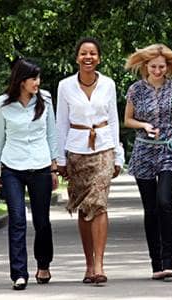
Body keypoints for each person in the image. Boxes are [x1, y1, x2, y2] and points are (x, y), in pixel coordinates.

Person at [56, 37, 124, 284]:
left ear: (99, 58)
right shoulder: (65, 86)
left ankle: (99, 264)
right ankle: (87, 264)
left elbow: (114, 119)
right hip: (76, 150)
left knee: (99, 204)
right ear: (76, 58)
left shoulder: (108, 84)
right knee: (84, 208)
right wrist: (59, 158)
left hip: (104, 146)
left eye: (93, 53)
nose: (88, 57)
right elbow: (60, 122)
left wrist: (117, 153)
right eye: (84, 53)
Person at [124, 44, 172, 280]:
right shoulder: (135, 90)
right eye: (153, 66)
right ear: (145, 67)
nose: (157, 70)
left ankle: (168, 260)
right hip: (144, 151)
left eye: (162, 67)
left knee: (164, 202)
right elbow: (127, 120)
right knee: (150, 208)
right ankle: (156, 263)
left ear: (169, 67)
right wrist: (142, 125)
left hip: (168, 151)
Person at [0, 58, 59, 290]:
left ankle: (43, 264)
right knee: (17, 219)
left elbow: (52, 135)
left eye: (38, 78)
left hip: (40, 166)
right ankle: (19, 273)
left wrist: (54, 168)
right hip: (12, 168)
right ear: (21, 81)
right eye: (33, 78)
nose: (37, 82)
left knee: (42, 221)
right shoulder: (3, 103)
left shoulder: (45, 100)